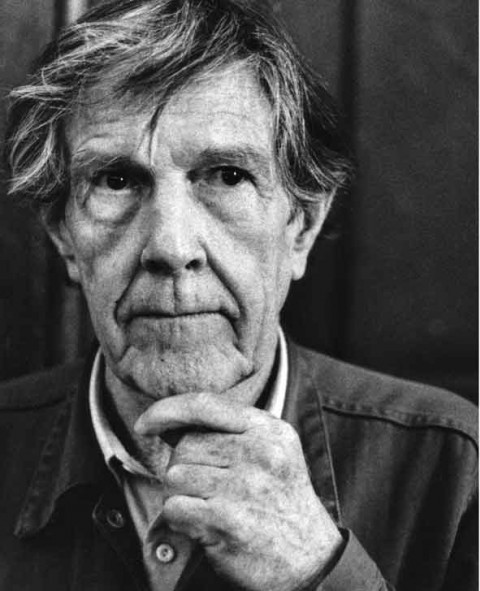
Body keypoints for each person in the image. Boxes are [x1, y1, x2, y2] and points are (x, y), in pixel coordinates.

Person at [0, 0, 477, 590]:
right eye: (116, 180)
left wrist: (318, 571)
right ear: (64, 237)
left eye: (228, 175)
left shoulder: (455, 469)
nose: (172, 247)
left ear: (300, 226)